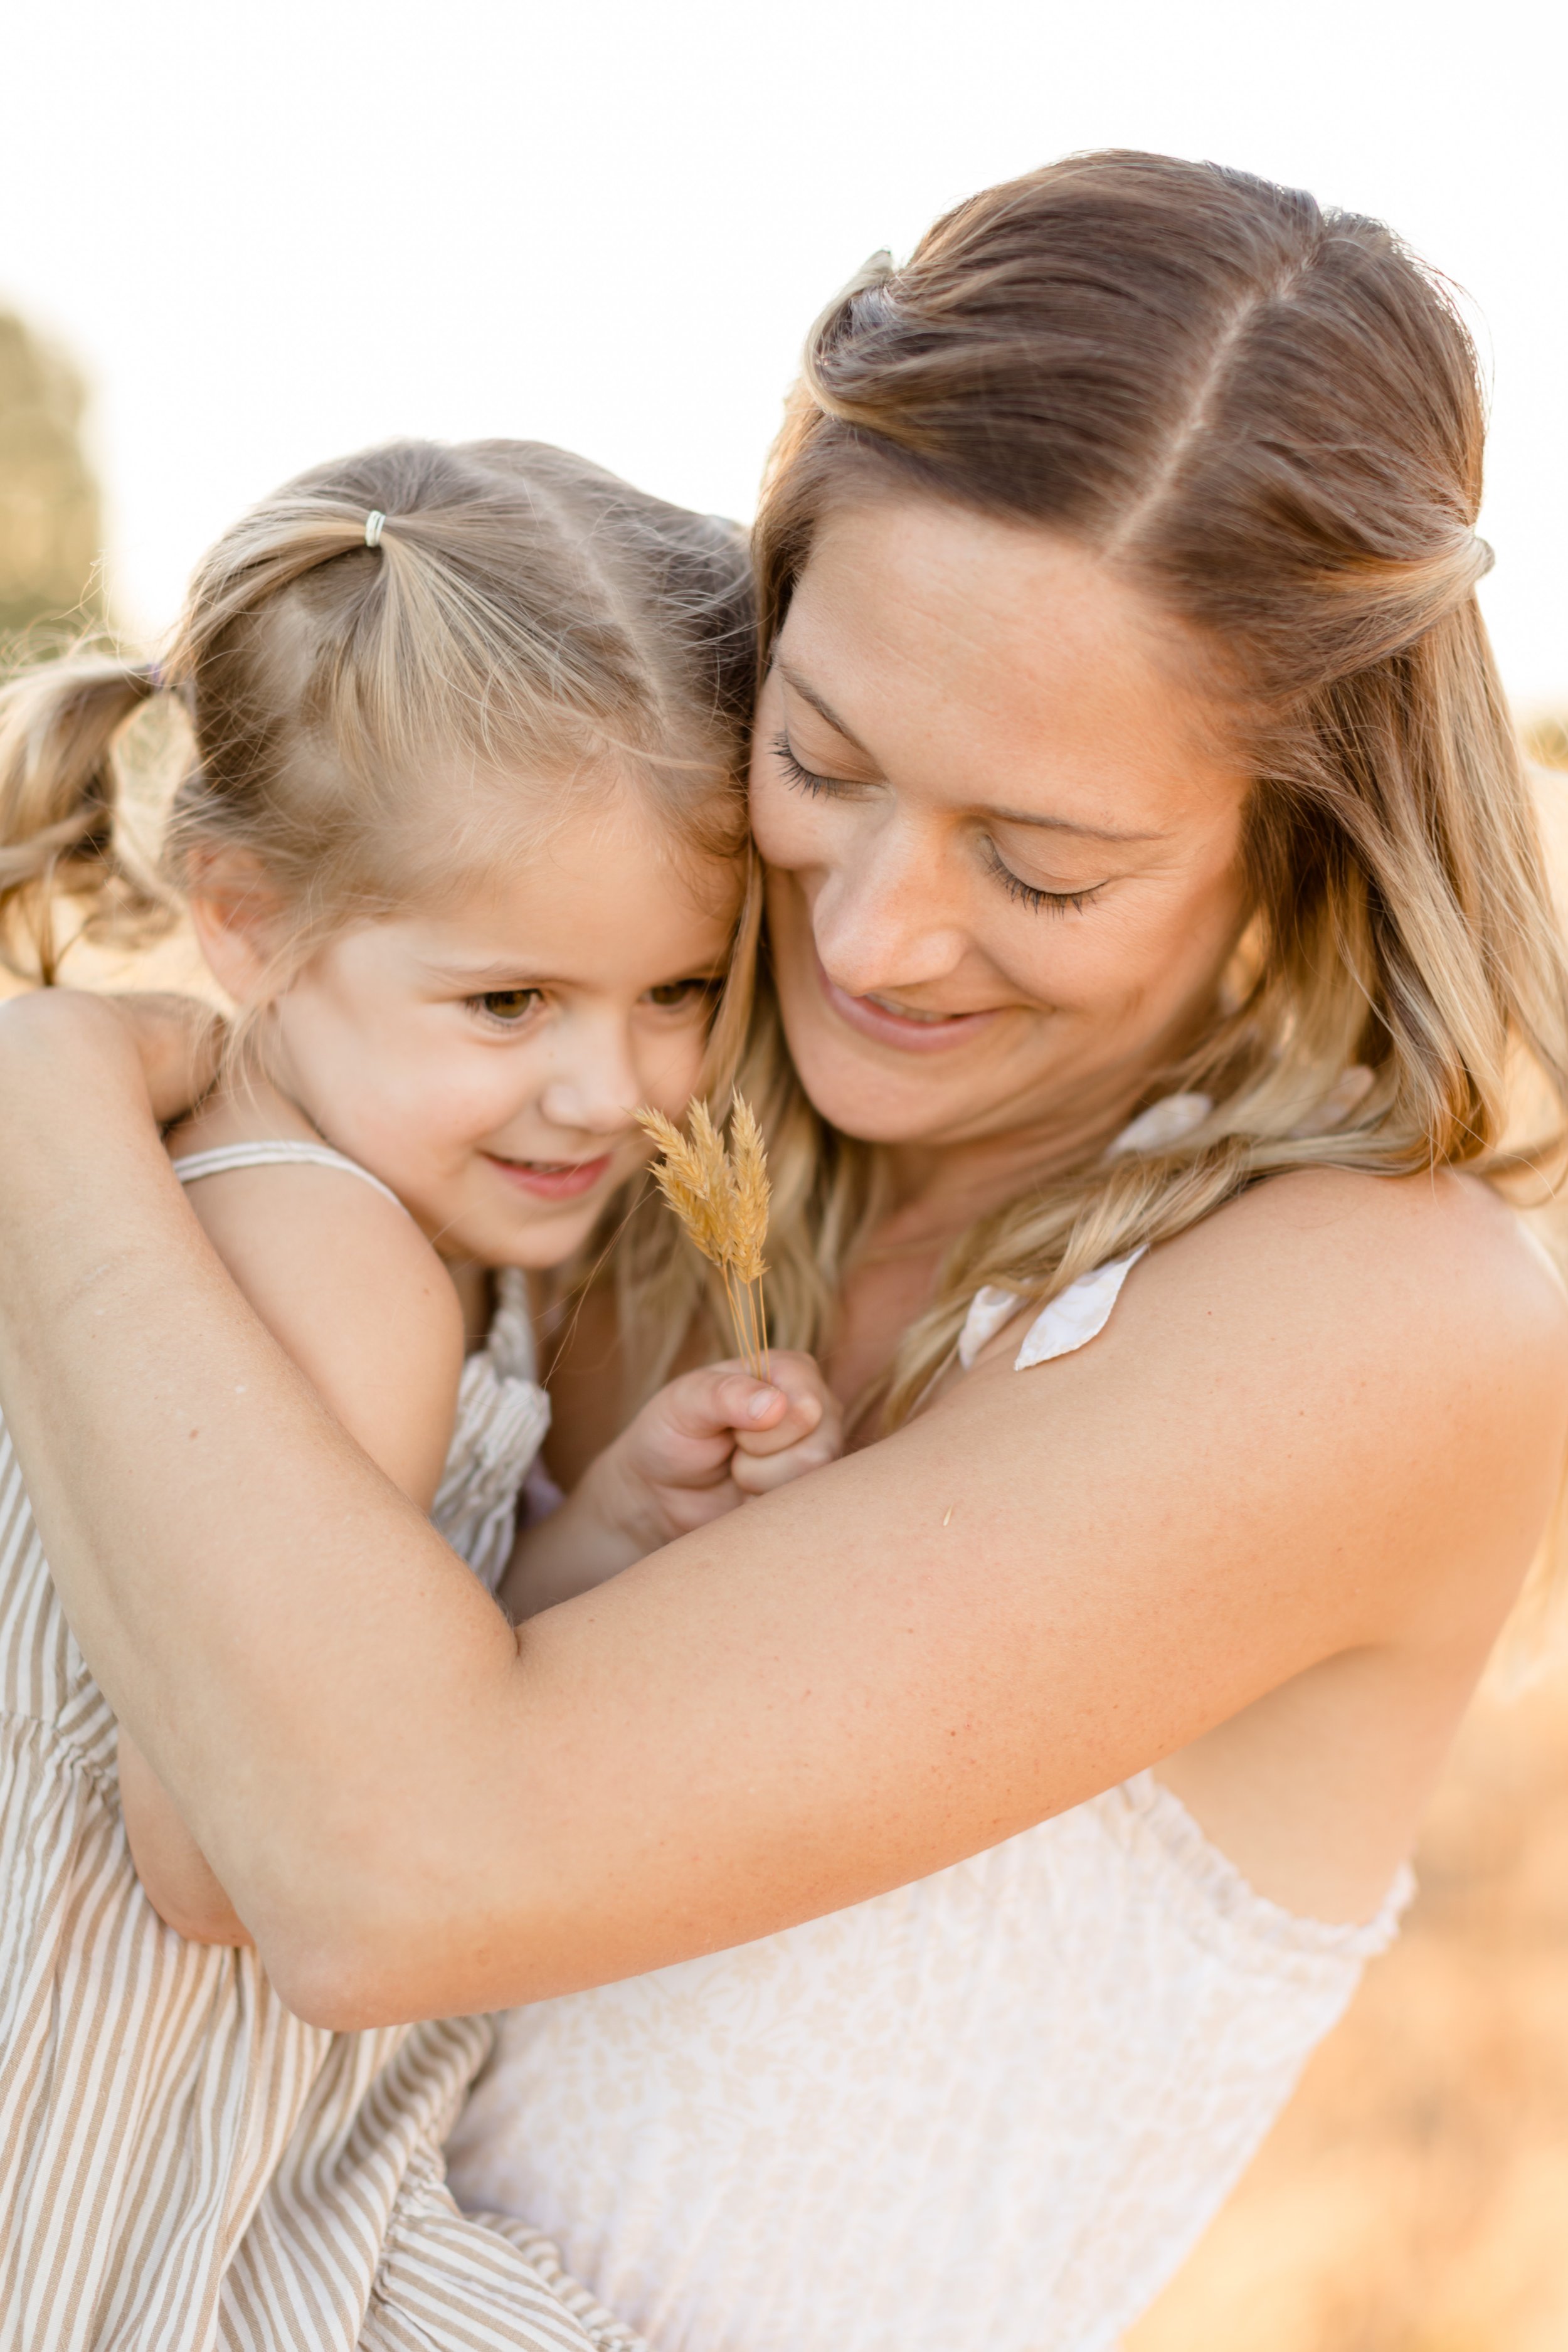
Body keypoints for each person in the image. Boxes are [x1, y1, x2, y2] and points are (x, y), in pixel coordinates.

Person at [3, 151, 1567, 2352]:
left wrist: (50, 1125)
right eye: (818, 760)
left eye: (1037, 865)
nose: (867, 930)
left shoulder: (1381, 1329)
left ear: (1297, 834)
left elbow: (365, 1868)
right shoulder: (600, 1142)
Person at [0, 434, 835, 2349]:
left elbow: (336, 1691)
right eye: (507, 1004)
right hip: (116, 2163)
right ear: (241, 917)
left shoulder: (216, 1192)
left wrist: (604, 1534)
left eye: (676, 993)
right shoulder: (341, 1260)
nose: (611, 1090)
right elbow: (232, 1844)